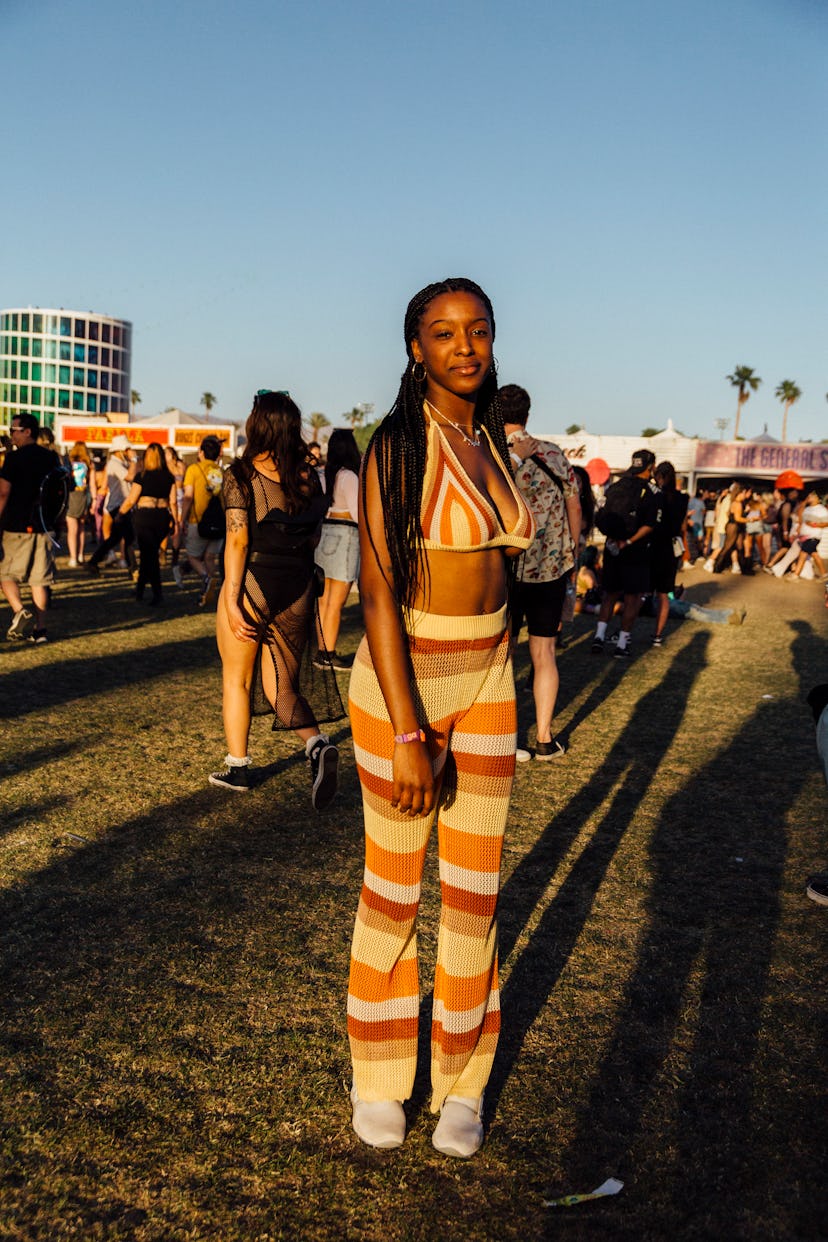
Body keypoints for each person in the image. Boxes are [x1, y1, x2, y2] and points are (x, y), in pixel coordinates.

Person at [347, 278, 535, 1159]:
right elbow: (378, 598)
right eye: (443, 332)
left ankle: (463, 1080)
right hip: (405, 680)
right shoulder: (395, 444)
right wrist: (411, 731)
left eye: (479, 330)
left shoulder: (489, 435)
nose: (465, 346)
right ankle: (381, 1073)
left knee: (473, 894)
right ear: (414, 346)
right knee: (395, 889)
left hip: (492, 670)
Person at [210, 390, 344, 806]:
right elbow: (315, 533)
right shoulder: (310, 474)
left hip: (255, 578)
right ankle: (318, 745)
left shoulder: (241, 473)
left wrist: (232, 598)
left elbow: (237, 539)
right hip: (298, 581)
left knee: (238, 678)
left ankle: (238, 767)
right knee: (282, 685)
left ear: (257, 424)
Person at [500, 383, 580, 761]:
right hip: (549, 568)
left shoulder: (493, 455)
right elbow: (574, 507)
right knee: (544, 652)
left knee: (504, 656)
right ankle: (545, 737)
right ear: (528, 414)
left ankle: (507, 737)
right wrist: (572, 549)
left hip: (505, 567)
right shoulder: (554, 454)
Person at [591, 449, 662, 660]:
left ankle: (599, 636)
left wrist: (614, 540)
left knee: (610, 594)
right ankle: (622, 643)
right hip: (636, 551)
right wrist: (629, 541)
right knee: (633, 598)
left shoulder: (616, 486)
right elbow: (650, 525)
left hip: (612, 548)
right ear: (650, 467)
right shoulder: (653, 492)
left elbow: (601, 516)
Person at [0, 412, 62, 643]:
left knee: (5, 575)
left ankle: (19, 610)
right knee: (39, 581)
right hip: (44, 525)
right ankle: (41, 630)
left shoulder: (14, 459)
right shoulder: (51, 458)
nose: (11, 435)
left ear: (27, 431)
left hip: (17, 524)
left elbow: (3, 492)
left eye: (14, 430)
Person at [313, 429, 362, 671]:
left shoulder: (324, 474)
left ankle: (322, 650)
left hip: (325, 534)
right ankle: (328, 653)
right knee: (336, 602)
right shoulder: (349, 477)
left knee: (324, 600)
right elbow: (357, 513)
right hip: (346, 537)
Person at [117, 442, 178, 605]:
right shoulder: (169, 477)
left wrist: (120, 514)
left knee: (148, 556)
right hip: (163, 518)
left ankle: (157, 594)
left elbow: (131, 500)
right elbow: (173, 502)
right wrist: (177, 522)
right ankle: (140, 591)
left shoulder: (142, 476)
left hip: (145, 517)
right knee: (149, 555)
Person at [176, 434, 224, 604]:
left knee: (193, 557)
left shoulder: (194, 470)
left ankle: (205, 579)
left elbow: (188, 497)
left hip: (198, 520)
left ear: (202, 452)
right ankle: (208, 590)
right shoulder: (222, 472)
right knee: (210, 557)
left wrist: (182, 520)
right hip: (219, 522)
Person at [650, 461, 689, 647]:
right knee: (664, 593)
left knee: (641, 591)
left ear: (661, 477)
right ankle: (657, 634)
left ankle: (626, 633)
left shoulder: (656, 496)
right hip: (672, 547)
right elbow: (681, 526)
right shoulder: (682, 498)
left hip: (653, 545)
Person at [85, 435, 137, 575]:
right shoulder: (114, 464)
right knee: (128, 537)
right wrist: (134, 459)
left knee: (117, 538)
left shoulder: (120, 463)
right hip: (118, 505)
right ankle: (133, 567)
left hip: (120, 504)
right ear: (120, 450)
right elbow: (130, 477)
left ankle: (94, 561)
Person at [65, 441, 96, 567]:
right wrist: (94, 501)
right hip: (83, 496)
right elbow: (92, 484)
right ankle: (80, 555)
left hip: (71, 496)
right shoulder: (88, 465)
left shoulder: (69, 464)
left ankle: (73, 557)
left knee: (72, 529)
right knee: (81, 528)